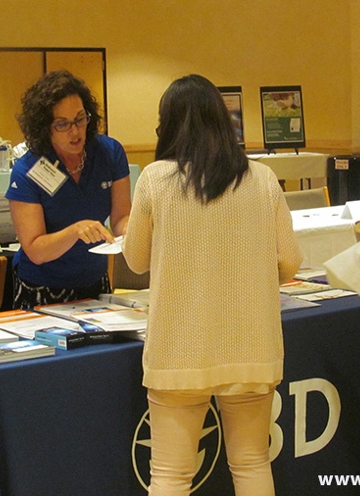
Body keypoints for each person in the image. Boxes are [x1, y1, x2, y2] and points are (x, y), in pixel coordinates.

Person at [122, 74, 302, 496]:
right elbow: (291, 260)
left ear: (168, 124)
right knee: (252, 464)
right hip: (251, 344)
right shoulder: (262, 179)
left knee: (170, 476)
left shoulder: (154, 179)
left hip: (177, 349)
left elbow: (135, 260)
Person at [5, 70, 131, 309]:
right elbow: (35, 249)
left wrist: (135, 230)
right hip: (42, 287)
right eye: (62, 124)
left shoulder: (109, 153)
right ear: (45, 128)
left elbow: (121, 218)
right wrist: (75, 231)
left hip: (94, 282)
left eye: (80, 119)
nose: (75, 131)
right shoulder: (30, 169)